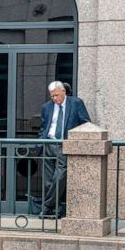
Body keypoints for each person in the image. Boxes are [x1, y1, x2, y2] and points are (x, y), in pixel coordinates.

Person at [36, 80, 91, 218]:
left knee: (59, 177)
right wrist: (40, 142)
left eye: (56, 95)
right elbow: (44, 126)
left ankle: (47, 207)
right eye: (52, 96)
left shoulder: (76, 103)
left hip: (64, 145)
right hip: (48, 144)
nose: (54, 98)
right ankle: (56, 209)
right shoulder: (47, 107)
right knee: (48, 180)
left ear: (63, 92)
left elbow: (86, 123)